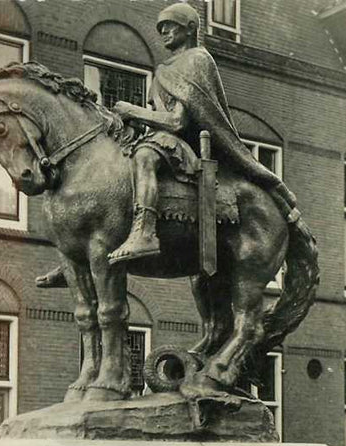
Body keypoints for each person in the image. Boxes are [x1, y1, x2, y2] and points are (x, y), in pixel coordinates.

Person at [107, 2, 299, 265]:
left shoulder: (197, 59)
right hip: (162, 139)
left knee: (144, 157)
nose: (163, 32)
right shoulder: (163, 70)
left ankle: (145, 233)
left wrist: (133, 111)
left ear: (189, 29)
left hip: (185, 144)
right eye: (161, 28)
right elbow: (157, 118)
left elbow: (177, 122)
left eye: (170, 26)